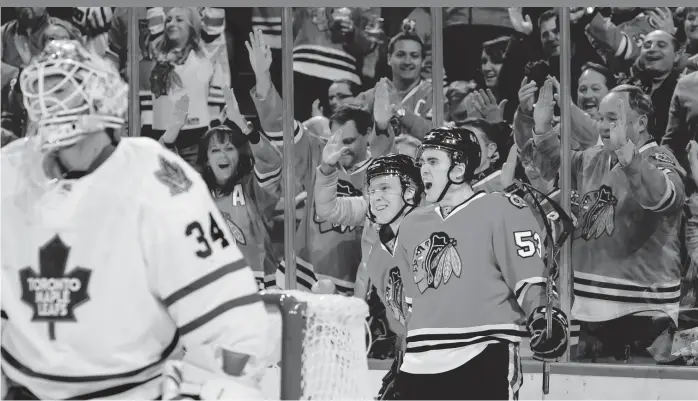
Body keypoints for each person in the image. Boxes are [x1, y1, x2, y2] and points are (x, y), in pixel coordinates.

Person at [0, 40, 268, 400]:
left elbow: (228, 318)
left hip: (132, 392)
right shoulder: (11, 171)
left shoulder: (157, 180)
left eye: (65, 90)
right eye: (48, 92)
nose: (54, 103)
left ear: (101, 100)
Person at [391, 126, 569, 400]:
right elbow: (411, 301)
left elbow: (531, 278)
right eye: (421, 162)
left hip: (483, 352)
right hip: (419, 362)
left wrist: (545, 316)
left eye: (433, 161)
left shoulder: (502, 208)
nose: (423, 169)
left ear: (459, 170)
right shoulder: (412, 224)